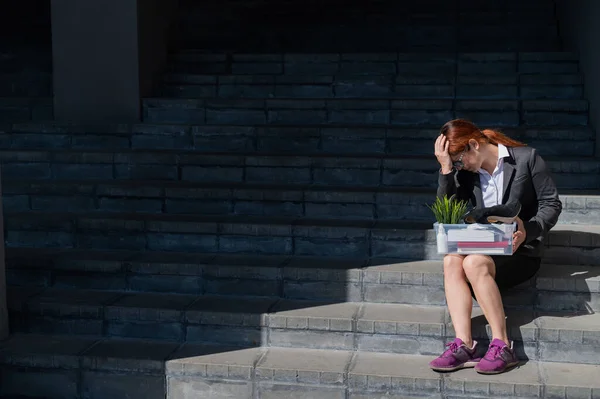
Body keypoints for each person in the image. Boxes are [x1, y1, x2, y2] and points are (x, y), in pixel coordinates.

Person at [429, 119, 562, 375]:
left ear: (473, 145)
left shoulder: (527, 159)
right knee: (451, 260)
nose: (459, 166)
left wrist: (527, 231)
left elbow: (551, 204)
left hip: (519, 251)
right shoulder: (466, 174)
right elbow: (448, 210)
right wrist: (446, 170)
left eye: (458, 160)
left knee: (473, 261)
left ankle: (502, 344)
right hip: (483, 246)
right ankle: (464, 345)